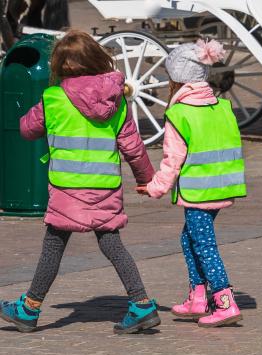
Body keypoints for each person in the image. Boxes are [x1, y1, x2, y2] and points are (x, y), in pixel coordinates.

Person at [0, 30, 160, 334]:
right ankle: (141, 303)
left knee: (53, 246)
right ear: (97, 58)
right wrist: (146, 179)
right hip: (104, 187)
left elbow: (26, 130)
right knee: (112, 244)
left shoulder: (54, 98)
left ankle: (29, 308)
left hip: (66, 188)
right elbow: (133, 146)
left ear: (60, 66)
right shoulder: (117, 101)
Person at [138, 39, 246, 328]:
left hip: (198, 191)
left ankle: (224, 301)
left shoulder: (179, 113)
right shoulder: (222, 107)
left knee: (204, 245)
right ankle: (198, 297)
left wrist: (155, 187)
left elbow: (172, 159)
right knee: (190, 239)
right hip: (222, 186)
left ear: (177, 80)